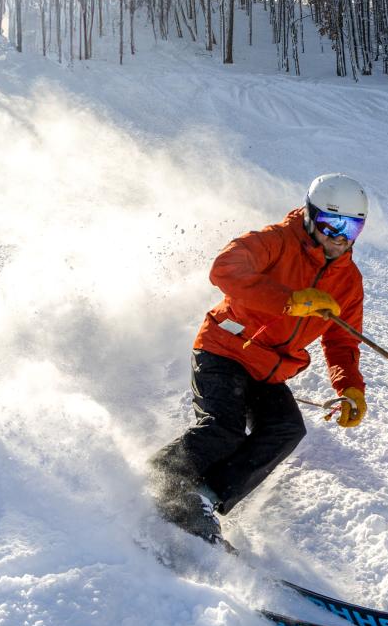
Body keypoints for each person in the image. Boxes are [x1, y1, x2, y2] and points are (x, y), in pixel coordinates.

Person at [149, 173, 370, 544]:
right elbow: (225, 269)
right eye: (330, 224)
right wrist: (289, 299)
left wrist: (350, 388)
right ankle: (156, 483)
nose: (339, 237)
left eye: (351, 228)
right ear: (310, 216)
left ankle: (203, 499)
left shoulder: (349, 282)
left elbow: (341, 342)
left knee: (285, 429)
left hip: (267, 372)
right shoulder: (277, 241)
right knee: (223, 427)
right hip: (223, 350)